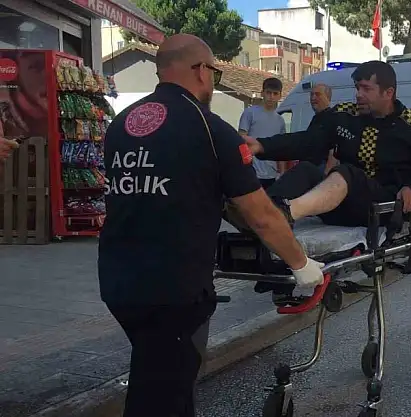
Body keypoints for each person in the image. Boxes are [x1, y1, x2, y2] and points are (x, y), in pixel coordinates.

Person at [97, 34, 324, 417]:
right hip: (173, 286)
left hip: (118, 280)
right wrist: (302, 265)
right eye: (215, 74)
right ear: (202, 71)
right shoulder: (209, 128)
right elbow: (259, 214)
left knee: (159, 378)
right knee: (163, 395)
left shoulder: (122, 124)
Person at [238, 60, 411, 230]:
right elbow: (307, 141)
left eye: (366, 89)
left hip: (381, 209)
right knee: (307, 169)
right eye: (357, 88)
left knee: (347, 172)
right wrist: (262, 145)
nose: (358, 94)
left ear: (388, 92)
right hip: (339, 205)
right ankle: (257, 213)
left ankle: (285, 213)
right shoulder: (344, 115)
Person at [238, 77, 287, 189]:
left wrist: (282, 173)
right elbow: (241, 138)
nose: (271, 97)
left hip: (271, 175)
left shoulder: (280, 121)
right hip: (251, 172)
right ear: (262, 93)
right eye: (268, 93)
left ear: (280, 96)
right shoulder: (250, 113)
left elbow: (281, 149)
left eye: (275, 93)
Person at [306, 83, 338, 172]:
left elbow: (334, 151)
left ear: (328, 97)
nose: (313, 98)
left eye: (317, 94)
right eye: (311, 94)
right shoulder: (316, 119)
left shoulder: (332, 118)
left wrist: (326, 174)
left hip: (321, 170)